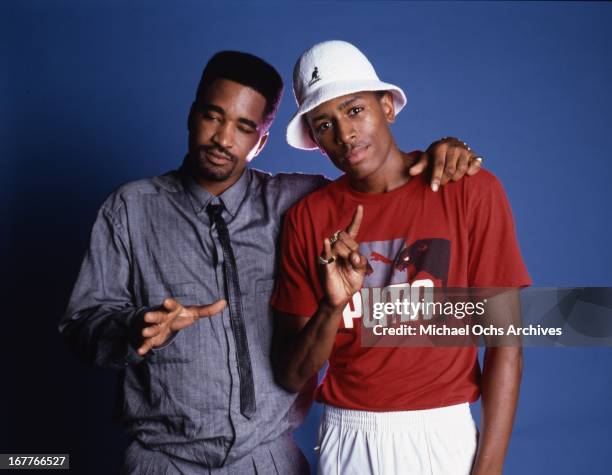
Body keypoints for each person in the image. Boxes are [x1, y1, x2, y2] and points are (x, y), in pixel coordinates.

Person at [59, 49, 480, 474]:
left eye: (244, 128)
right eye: (213, 116)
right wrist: (135, 328)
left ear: (261, 141)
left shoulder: (299, 202)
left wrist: (442, 154)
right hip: (163, 459)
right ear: (191, 115)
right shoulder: (129, 209)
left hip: (270, 458)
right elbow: (81, 327)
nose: (223, 139)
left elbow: (375, 178)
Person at [271, 40, 530, 475]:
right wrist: (333, 306)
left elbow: (506, 343)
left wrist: (489, 469)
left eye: (355, 110)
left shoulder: (470, 190)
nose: (345, 134)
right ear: (315, 140)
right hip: (347, 435)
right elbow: (291, 375)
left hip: (442, 433)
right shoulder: (308, 218)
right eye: (324, 124)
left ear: (387, 106)